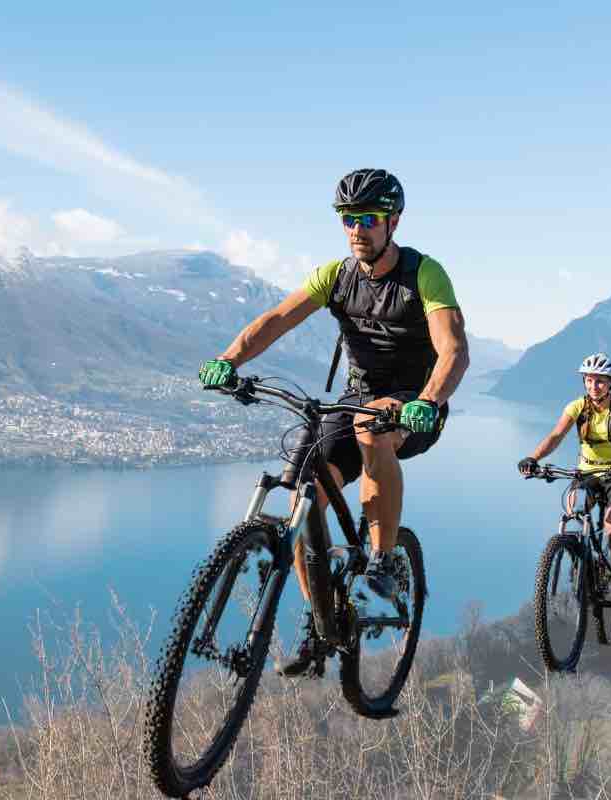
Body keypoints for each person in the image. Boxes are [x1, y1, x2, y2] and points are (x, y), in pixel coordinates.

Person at [199, 168, 469, 674]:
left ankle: (385, 560)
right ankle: (322, 621)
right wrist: (229, 361)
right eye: (348, 219)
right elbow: (275, 321)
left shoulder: (423, 273)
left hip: (415, 402)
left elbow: (453, 348)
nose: (356, 230)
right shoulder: (337, 275)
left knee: (374, 430)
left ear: (393, 221)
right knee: (305, 504)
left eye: (368, 219)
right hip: (356, 398)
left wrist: (429, 400)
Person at [517, 353, 611, 611]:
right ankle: (580, 558)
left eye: (599, 381)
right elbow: (555, 435)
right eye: (588, 380)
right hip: (585, 474)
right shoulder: (577, 406)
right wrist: (533, 457)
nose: (593, 386)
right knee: (574, 512)